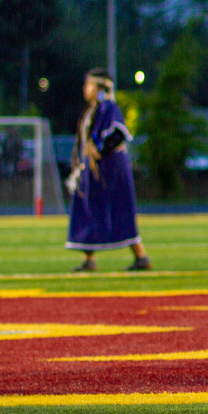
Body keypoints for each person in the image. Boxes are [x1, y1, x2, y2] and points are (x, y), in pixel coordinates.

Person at [65, 69, 151, 272]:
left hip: (111, 170)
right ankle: (89, 259)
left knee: (119, 210)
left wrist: (100, 149)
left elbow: (118, 133)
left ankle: (141, 256)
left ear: (100, 87)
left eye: (89, 85)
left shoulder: (108, 108)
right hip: (95, 171)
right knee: (86, 208)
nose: (85, 89)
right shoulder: (93, 110)